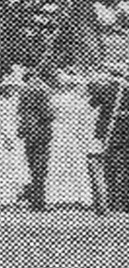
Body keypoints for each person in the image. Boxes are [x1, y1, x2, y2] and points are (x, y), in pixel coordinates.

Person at [45, 67, 98, 208]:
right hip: (63, 132)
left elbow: (84, 117)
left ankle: (71, 197)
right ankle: (63, 198)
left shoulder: (61, 99)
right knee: (63, 163)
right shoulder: (62, 99)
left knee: (71, 163)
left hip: (70, 132)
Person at [18, 66, 55, 211]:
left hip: (28, 132)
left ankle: (34, 199)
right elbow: (47, 113)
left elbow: (20, 112)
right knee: (41, 168)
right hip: (41, 132)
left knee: (32, 166)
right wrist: (53, 114)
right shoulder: (42, 90)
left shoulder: (23, 91)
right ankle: (39, 201)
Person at [0, 67, 29, 206]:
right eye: (9, 87)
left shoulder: (18, 102)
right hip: (4, 136)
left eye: (14, 87)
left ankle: (16, 196)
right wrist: (5, 137)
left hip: (17, 135)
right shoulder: (1, 102)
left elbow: (21, 119)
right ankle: (5, 197)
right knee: (4, 166)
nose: (12, 90)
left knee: (18, 165)